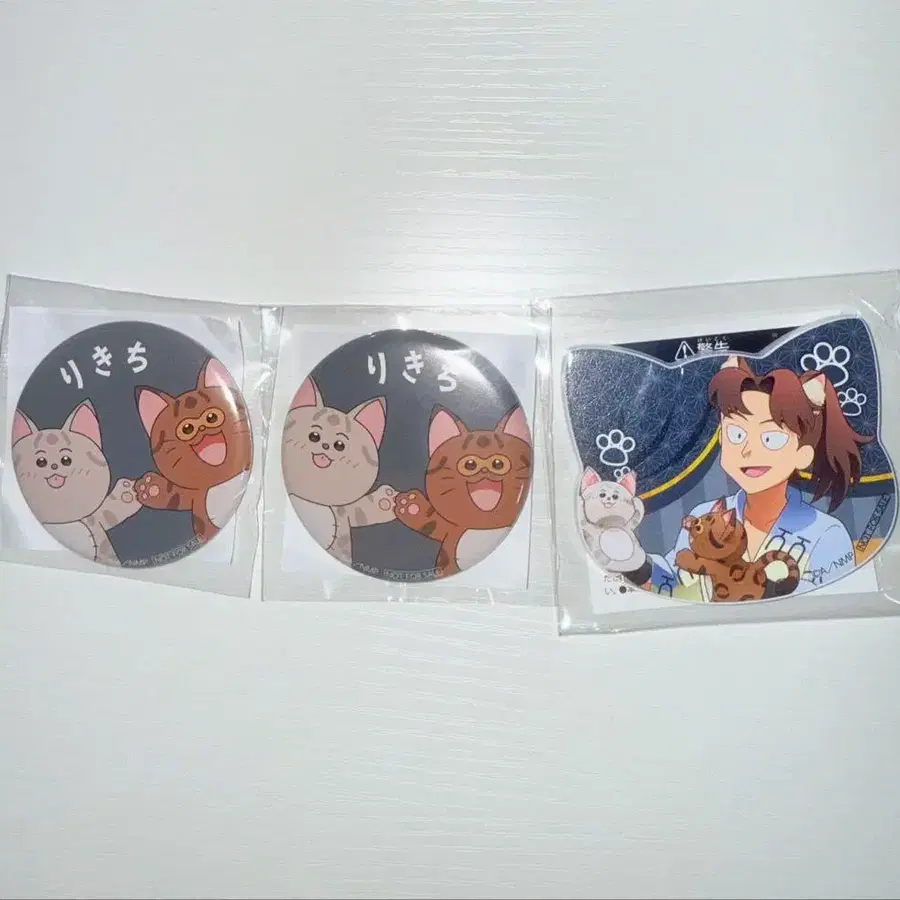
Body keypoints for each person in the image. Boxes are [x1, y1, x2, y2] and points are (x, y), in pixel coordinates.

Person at [626, 355, 871, 600]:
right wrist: (633, 561)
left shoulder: (826, 533)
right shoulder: (706, 516)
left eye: (771, 438)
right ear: (721, 438)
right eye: (737, 434)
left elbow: (833, 605)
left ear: (803, 454)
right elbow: (673, 583)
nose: (748, 450)